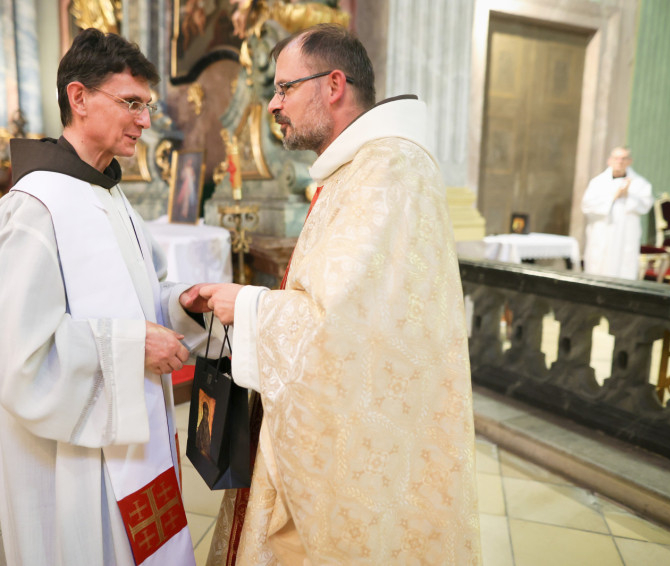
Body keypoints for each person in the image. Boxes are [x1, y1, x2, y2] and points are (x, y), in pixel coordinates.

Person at [200, 24, 480, 565]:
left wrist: (250, 307)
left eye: (284, 88)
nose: (273, 105)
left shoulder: (388, 170)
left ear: (333, 85)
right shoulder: (362, 166)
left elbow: (345, 331)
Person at [0, 29, 220, 566]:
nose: (145, 120)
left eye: (147, 105)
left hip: (130, 434)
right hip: (76, 456)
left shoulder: (108, 193)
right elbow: (14, 351)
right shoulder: (34, 206)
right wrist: (130, 347)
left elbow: (135, 299)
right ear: (79, 98)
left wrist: (181, 305)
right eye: (131, 103)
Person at [581, 147, 654, 280]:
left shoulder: (639, 183)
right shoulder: (598, 182)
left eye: (623, 158)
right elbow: (587, 205)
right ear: (609, 160)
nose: (619, 162)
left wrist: (627, 196)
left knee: (624, 263)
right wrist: (613, 197)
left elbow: (645, 205)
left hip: (626, 234)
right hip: (602, 232)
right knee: (599, 263)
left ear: (629, 161)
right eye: (616, 158)